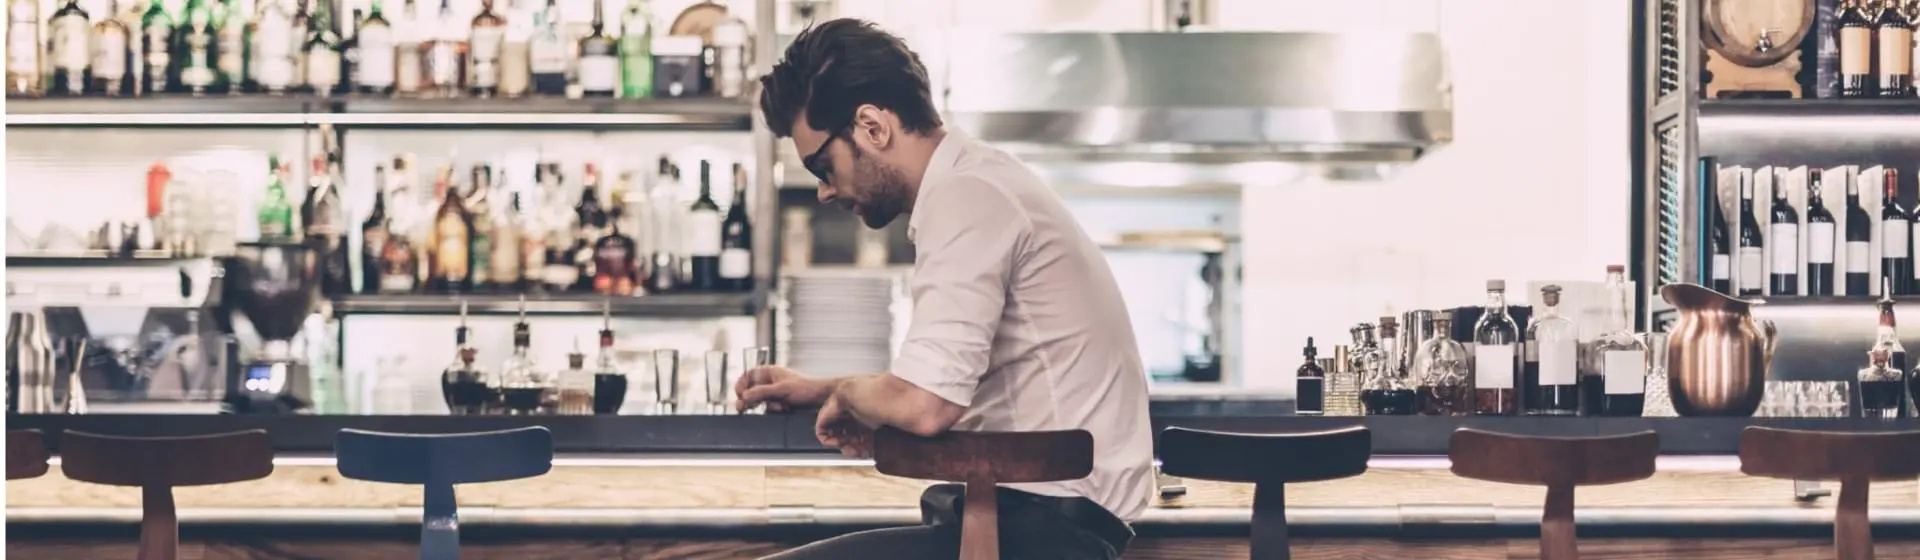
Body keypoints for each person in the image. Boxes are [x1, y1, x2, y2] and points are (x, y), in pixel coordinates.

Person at [738, 18, 1153, 560]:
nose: (822, 190)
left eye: (822, 165)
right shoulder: (980, 182)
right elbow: (938, 384)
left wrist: (848, 395)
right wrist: (823, 389)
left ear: (872, 127)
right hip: (1034, 522)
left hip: (1044, 532)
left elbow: (923, 406)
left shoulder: (967, 196)